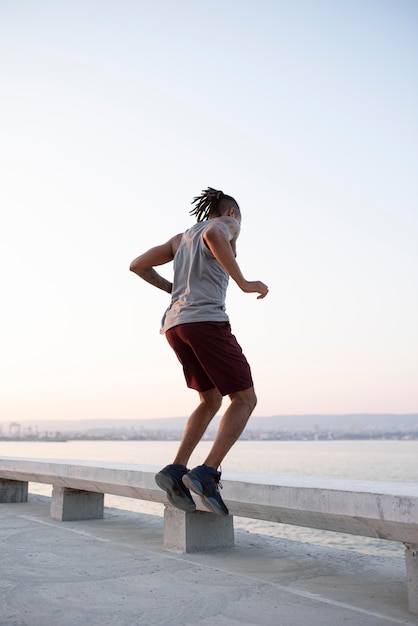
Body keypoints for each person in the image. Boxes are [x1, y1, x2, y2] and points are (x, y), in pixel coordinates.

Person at [129, 187, 268, 516]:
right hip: (206, 320)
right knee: (245, 399)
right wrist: (245, 283)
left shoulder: (180, 239)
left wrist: (172, 290)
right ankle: (207, 472)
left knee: (210, 400)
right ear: (231, 213)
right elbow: (215, 232)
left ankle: (176, 470)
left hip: (175, 326)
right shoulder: (224, 224)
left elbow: (137, 265)